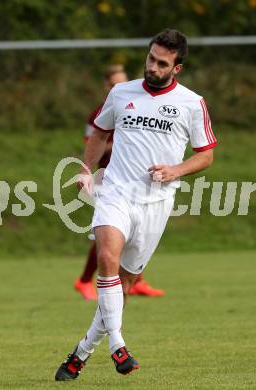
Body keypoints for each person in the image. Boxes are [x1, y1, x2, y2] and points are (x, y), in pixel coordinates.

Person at [55, 28, 217, 381]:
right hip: (115, 193)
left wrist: (176, 170)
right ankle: (118, 344)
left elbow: (206, 155)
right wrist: (86, 169)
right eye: (150, 58)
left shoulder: (192, 103)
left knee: (124, 286)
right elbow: (99, 133)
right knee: (107, 261)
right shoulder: (121, 92)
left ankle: (80, 354)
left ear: (177, 69)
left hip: (156, 204)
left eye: (162, 63)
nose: (153, 67)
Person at [74, 65, 165, 300]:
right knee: (110, 233)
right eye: (114, 83)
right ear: (106, 86)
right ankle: (84, 280)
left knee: (132, 231)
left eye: (123, 82)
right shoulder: (98, 113)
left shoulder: (133, 107)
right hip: (107, 178)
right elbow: (91, 142)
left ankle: (135, 280)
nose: (120, 87)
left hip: (132, 179)